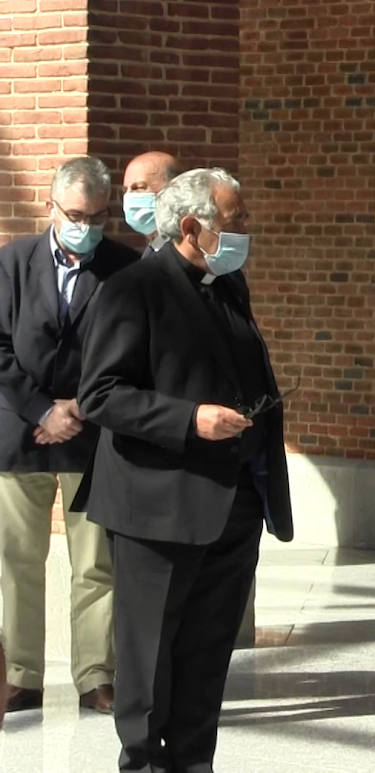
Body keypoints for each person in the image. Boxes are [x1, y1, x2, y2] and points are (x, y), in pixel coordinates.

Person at [76, 167, 295, 772]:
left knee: (207, 657)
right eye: (236, 220)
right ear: (193, 226)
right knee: (149, 661)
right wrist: (189, 418)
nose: (247, 229)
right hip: (158, 508)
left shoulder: (229, 285)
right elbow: (101, 395)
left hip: (234, 504)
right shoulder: (134, 289)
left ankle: (194, 763)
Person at [0, 155, 136, 716]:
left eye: (98, 216)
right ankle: (20, 674)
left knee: (95, 564)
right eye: (75, 214)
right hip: (19, 434)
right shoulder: (13, 262)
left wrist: (79, 407)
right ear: (52, 207)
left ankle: (94, 676)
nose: (86, 226)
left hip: (92, 434)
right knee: (16, 560)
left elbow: (131, 349)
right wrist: (40, 411)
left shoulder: (124, 268)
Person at [121, 151, 181, 258]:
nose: (129, 196)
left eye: (139, 188)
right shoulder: (154, 248)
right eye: (125, 190)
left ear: (173, 190)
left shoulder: (185, 253)